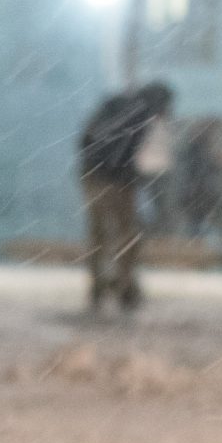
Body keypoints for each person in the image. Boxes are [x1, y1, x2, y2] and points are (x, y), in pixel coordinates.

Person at [74, 80, 172, 312]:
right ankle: (123, 286)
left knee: (101, 233)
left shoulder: (119, 105)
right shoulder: (140, 114)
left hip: (95, 174)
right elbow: (120, 147)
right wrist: (123, 173)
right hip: (112, 178)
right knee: (125, 234)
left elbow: (89, 138)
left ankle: (101, 285)